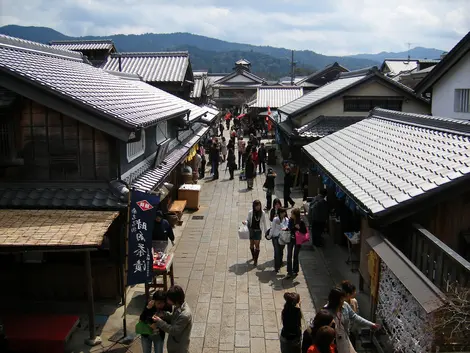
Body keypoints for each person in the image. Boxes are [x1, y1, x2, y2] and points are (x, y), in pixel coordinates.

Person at [324, 288, 380, 353]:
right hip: (332, 342)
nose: (343, 300)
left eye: (343, 298)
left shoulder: (345, 306)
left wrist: (371, 324)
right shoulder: (326, 312)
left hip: (345, 338)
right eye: (341, 299)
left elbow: (355, 317)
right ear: (335, 300)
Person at [152, 285, 193, 353]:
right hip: (174, 343)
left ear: (175, 300)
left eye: (168, 299)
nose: (167, 300)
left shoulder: (185, 315)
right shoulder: (178, 306)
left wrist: (160, 322)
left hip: (179, 347)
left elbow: (174, 330)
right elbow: (174, 318)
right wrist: (164, 314)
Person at [243, 200, 267, 266]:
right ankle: (253, 256)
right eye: (256, 206)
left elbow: (264, 222)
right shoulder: (250, 212)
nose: (258, 207)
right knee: (251, 244)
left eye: (259, 205)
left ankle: (255, 260)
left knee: (257, 245)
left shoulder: (262, 213)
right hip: (251, 230)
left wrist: (266, 232)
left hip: (258, 231)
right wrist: (245, 222)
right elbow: (248, 220)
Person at [286, 208, 307, 279]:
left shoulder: (301, 222)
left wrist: (299, 228)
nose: (291, 215)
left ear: (295, 215)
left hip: (298, 241)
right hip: (290, 240)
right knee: (289, 255)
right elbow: (289, 227)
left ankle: (295, 270)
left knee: (295, 255)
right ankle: (289, 271)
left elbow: (304, 231)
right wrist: (293, 227)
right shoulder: (291, 220)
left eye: (292, 214)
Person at [341, 280, 359, 347]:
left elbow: (356, 314)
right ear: (348, 294)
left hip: (351, 331)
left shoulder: (354, 301)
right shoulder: (339, 304)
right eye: (354, 292)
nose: (355, 293)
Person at [270, 207, 288, 273]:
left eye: (284, 212)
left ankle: (280, 263)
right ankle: (276, 267)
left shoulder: (286, 220)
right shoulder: (275, 219)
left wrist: (280, 224)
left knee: (281, 251)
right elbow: (272, 228)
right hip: (275, 237)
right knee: (276, 252)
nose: (283, 214)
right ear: (279, 213)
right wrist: (269, 236)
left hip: (283, 238)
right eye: (282, 213)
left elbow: (286, 228)